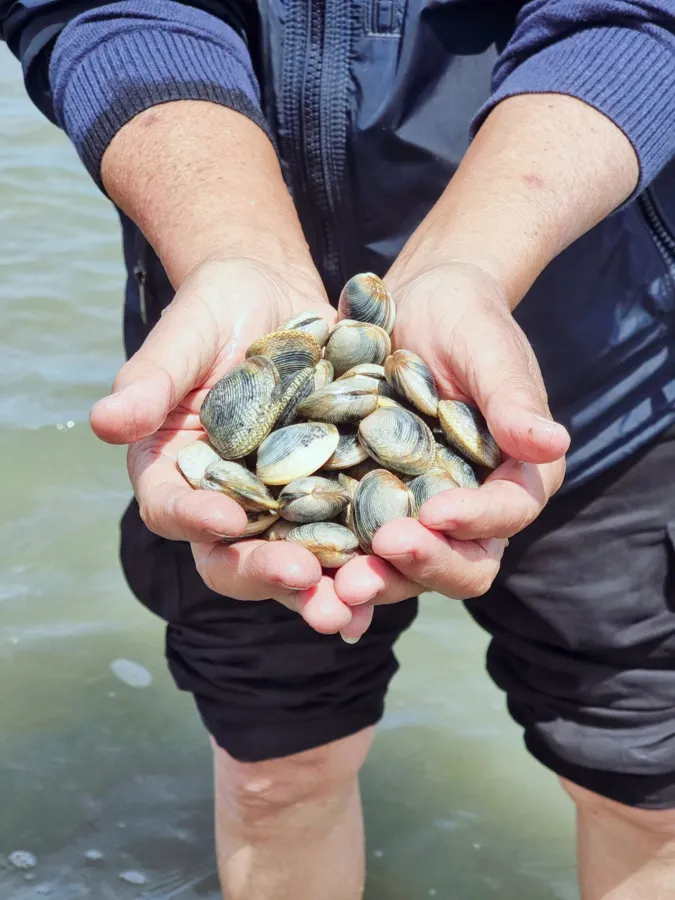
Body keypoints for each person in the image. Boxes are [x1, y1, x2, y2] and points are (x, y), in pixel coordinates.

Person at [3, 0, 675, 896]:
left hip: (602, 378)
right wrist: (229, 246)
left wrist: (470, 265)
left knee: (646, 789)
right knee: (275, 777)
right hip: (222, 359)